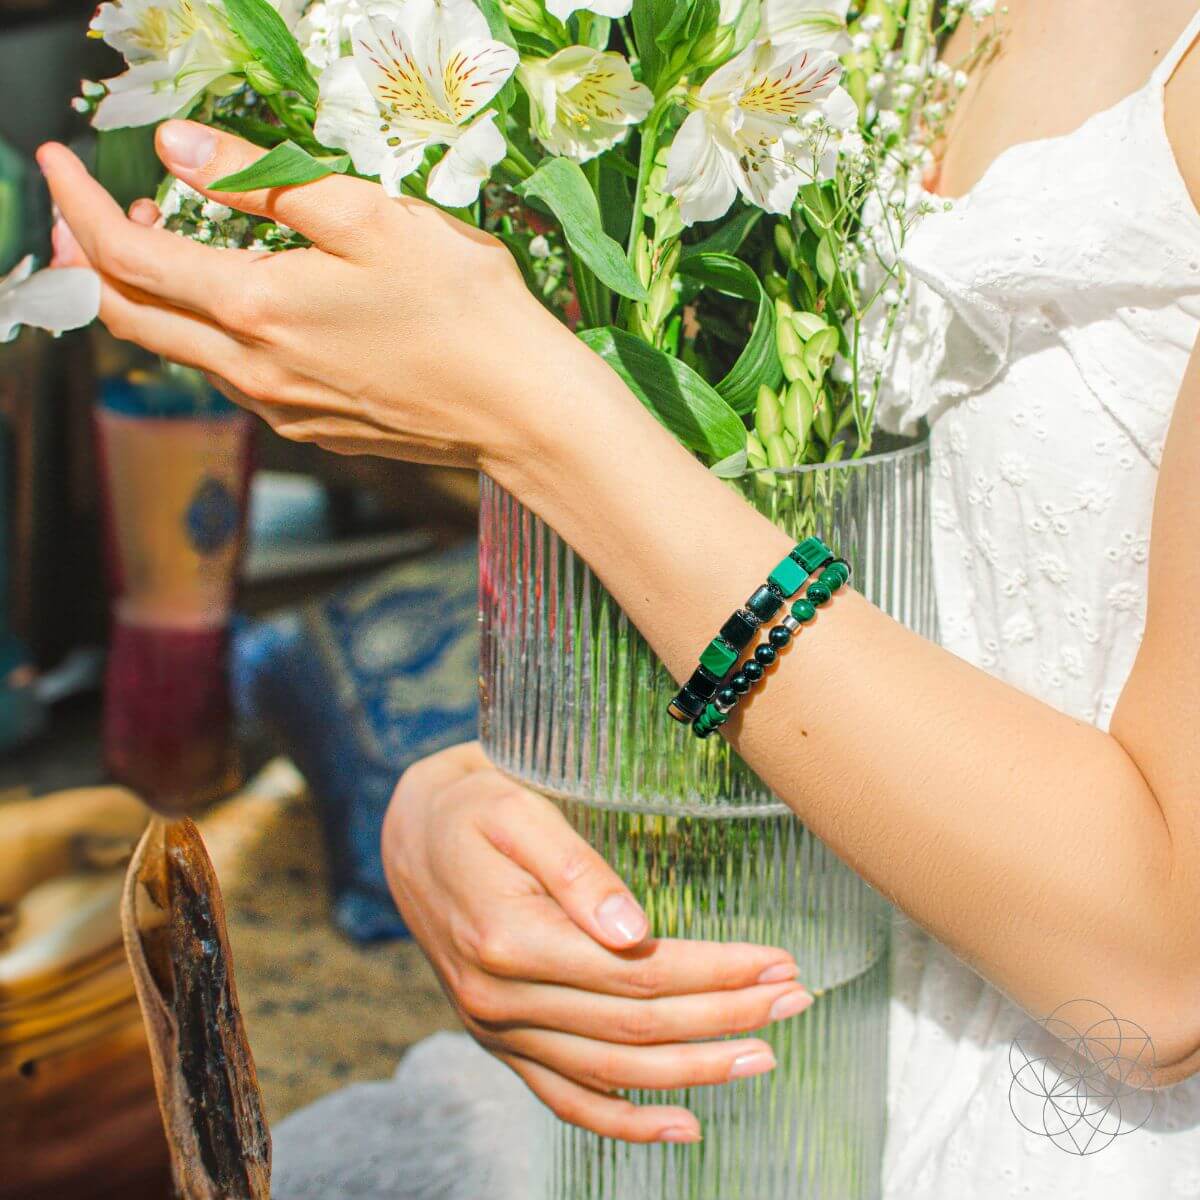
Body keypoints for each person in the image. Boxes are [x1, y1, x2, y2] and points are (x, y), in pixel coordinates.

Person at [38, 1, 1200, 1191]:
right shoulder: (896, 21)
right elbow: (876, 594)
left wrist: (534, 415)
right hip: (772, 1051)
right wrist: (497, 789)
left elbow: (1159, 970)